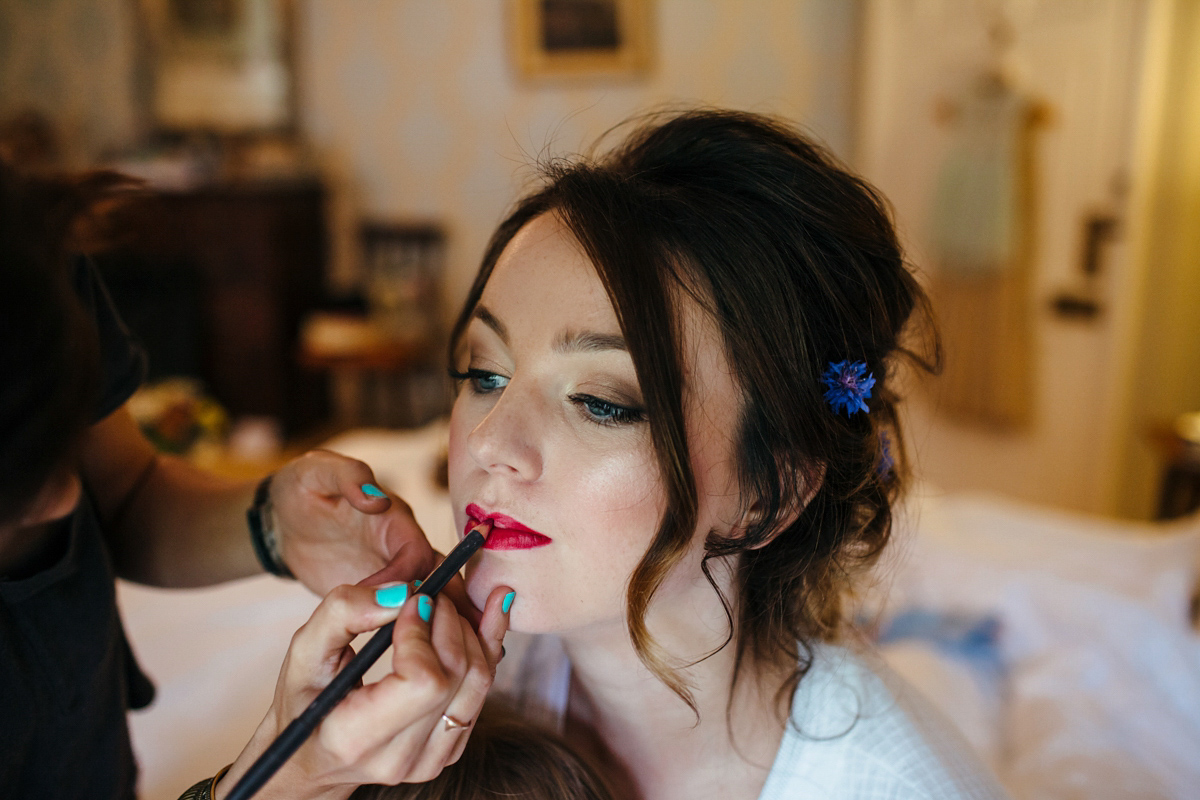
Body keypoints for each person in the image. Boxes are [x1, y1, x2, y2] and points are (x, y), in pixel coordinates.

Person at [441, 109, 1010, 799]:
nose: (488, 441)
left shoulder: (897, 785)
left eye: (601, 401)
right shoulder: (442, 683)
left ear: (769, 492)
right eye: (484, 374)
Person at [0, 161, 509, 800]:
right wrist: (297, 775)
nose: (69, 501)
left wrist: (275, 524)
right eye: (486, 377)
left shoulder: (32, 262)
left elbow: (120, 495)